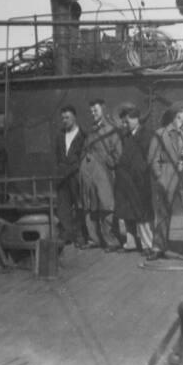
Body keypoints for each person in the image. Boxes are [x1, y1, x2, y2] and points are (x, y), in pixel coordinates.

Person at [147, 101, 183, 261]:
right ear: (178, 113)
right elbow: (152, 159)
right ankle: (158, 247)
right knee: (163, 212)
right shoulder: (160, 134)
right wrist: (160, 177)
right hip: (167, 174)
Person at [78, 99, 123, 251]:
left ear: (103, 110)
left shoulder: (111, 130)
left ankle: (111, 241)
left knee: (107, 206)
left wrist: (110, 163)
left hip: (104, 174)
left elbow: (118, 154)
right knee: (89, 206)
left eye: (95, 110)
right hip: (88, 174)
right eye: (91, 111)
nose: (93, 114)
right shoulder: (91, 131)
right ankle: (93, 239)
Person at [114, 106, 154, 255]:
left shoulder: (146, 135)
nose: (124, 125)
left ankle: (147, 245)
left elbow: (148, 158)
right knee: (127, 212)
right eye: (123, 122)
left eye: (127, 121)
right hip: (126, 179)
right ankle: (130, 242)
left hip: (140, 179)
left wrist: (140, 172)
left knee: (142, 213)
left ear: (137, 119)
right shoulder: (127, 136)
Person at [54, 105, 90, 248]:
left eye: (67, 117)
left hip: (76, 174)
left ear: (74, 117)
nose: (64, 120)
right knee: (63, 207)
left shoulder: (83, 135)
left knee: (80, 205)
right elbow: (57, 155)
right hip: (63, 176)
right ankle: (67, 235)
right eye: (62, 118)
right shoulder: (60, 135)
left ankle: (81, 236)